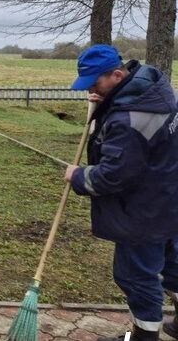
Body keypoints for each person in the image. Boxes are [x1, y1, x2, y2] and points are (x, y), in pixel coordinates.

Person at [64, 45, 178, 341]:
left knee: (135, 276)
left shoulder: (129, 120)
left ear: (117, 74)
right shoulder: (155, 89)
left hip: (143, 210)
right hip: (168, 197)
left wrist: (78, 176)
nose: (89, 87)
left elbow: (113, 175)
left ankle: (145, 336)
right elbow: (139, 136)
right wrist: (104, 102)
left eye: (94, 82)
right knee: (173, 264)